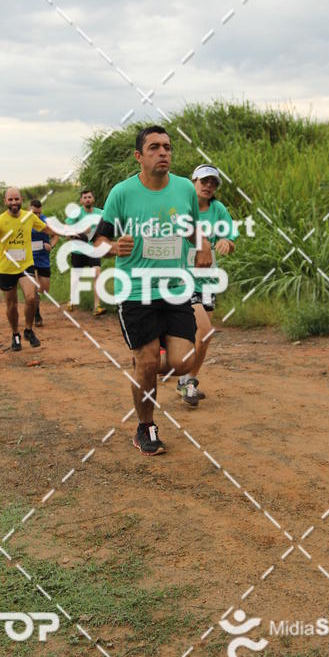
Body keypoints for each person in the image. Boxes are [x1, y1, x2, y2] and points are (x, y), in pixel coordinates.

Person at [94, 126, 212, 456]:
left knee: (183, 361)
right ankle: (146, 428)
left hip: (176, 289)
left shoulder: (185, 188)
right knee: (147, 363)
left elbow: (193, 226)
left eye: (168, 147)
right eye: (155, 148)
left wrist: (203, 245)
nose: (164, 153)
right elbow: (99, 240)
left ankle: (143, 362)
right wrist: (113, 248)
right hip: (136, 292)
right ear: (139, 156)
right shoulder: (122, 193)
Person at [0, 187, 56, 351]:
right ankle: (15, 334)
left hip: (25, 265)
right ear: (5, 202)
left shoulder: (29, 217)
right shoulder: (0, 221)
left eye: (16, 199)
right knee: (12, 305)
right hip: (7, 268)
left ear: (21, 200)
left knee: (31, 297)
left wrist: (65, 233)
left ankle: (28, 330)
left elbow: (46, 229)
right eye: (10, 200)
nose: (14, 202)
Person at [177, 164, 237, 403]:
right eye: (204, 181)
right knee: (204, 330)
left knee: (202, 335)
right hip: (182, 278)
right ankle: (187, 380)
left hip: (208, 279)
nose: (208, 186)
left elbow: (229, 237)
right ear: (193, 182)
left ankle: (187, 379)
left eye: (213, 183)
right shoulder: (182, 208)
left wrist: (225, 242)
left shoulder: (218, 209)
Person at [66, 189, 105, 316]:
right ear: (81, 200)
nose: (87, 199)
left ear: (93, 199)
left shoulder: (100, 213)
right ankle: (72, 299)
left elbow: (109, 225)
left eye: (89, 197)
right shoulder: (77, 213)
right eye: (85, 197)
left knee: (97, 273)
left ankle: (97, 306)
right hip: (79, 249)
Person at [29, 199, 58, 326]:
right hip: (29, 258)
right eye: (35, 213)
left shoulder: (46, 221)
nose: (37, 216)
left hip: (43, 258)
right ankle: (37, 314)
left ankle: (37, 298)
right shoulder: (23, 221)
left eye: (39, 213)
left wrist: (51, 245)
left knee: (44, 289)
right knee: (33, 288)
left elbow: (56, 235)